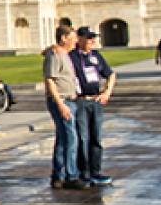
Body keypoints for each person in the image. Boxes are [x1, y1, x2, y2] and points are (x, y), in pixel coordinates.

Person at [70, 26, 116, 186]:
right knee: (83, 137)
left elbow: (110, 74)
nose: (92, 41)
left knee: (96, 137)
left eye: (92, 38)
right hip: (81, 100)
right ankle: (84, 172)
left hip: (96, 100)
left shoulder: (95, 56)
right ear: (79, 39)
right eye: (88, 38)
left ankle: (96, 171)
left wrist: (106, 92)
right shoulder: (72, 56)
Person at [44, 25, 86, 190]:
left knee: (63, 138)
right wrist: (60, 104)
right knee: (71, 138)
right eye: (73, 38)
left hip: (69, 99)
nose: (76, 41)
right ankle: (71, 175)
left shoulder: (63, 54)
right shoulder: (55, 55)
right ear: (63, 38)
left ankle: (58, 175)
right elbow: (50, 80)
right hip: (62, 100)